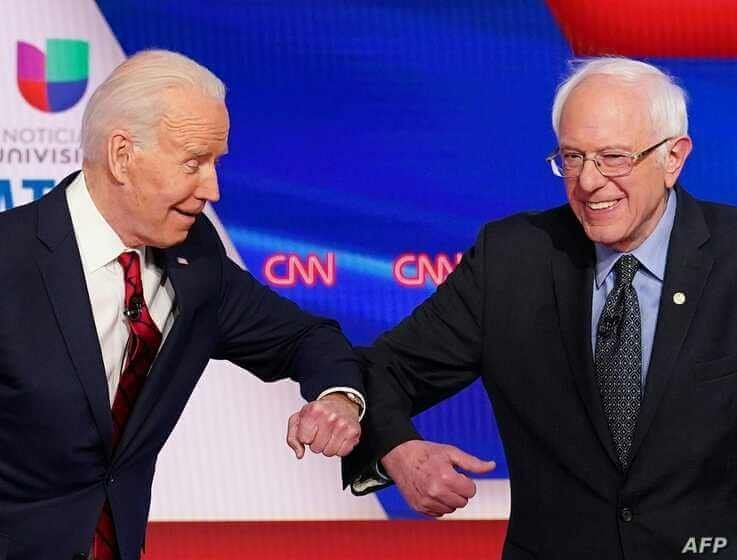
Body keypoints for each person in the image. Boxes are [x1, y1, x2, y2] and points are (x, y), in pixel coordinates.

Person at [345, 57, 737, 558]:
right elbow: (383, 370)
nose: (590, 182)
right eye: (573, 158)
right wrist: (398, 450)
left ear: (673, 158)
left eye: (613, 157)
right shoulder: (512, 259)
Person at [0, 50, 365, 560]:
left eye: (215, 163)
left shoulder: (197, 261)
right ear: (122, 155)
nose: (211, 188)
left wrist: (339, 398)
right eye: (194, 162)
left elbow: (305, 337)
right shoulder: (9, 259)